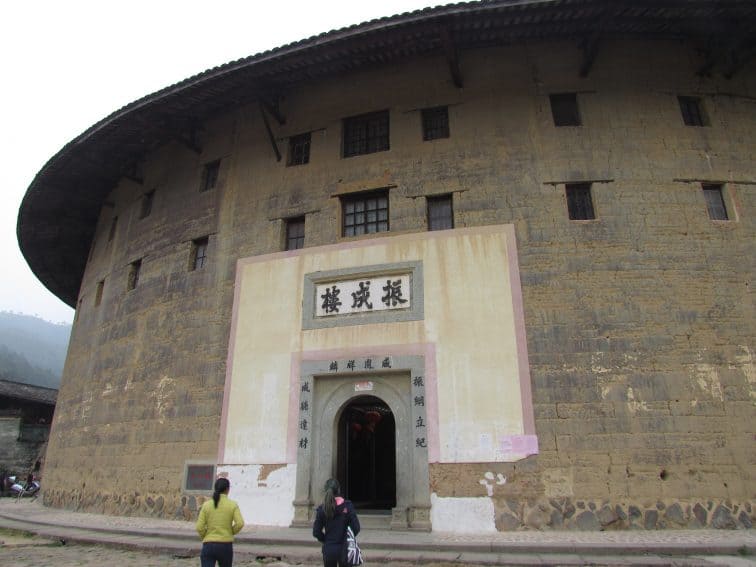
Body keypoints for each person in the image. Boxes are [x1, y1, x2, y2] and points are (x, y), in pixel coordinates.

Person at [196, 477, 244, 567]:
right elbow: (240, 523)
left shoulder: (206, 505)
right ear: (227, 489)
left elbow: (199, 527)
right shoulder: (232, 504)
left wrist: (206, 536)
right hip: (225, 545)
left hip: (208, 545)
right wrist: (231, 532)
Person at [312, 478, 360, 567]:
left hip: (329, 549)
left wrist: (325, 540)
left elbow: (316, 532)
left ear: (325, 490)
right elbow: (356, 528)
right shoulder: (348, 506)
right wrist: (348, 538)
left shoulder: (322, 509)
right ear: (338, 490)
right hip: (345, 549)